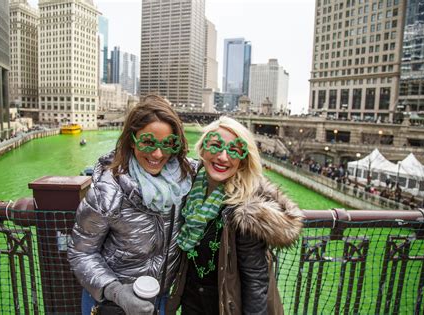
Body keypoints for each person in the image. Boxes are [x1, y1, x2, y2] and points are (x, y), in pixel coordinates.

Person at [68, 95, 195, 315]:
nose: (158, 154)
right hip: (112, 304)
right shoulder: (107, 192)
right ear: (131, 139)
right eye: (148, 142)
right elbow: (81, 253)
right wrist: (116, 291)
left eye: (168, 143)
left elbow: (226, 169)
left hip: (160, 300)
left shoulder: (185, 178)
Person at [167, 117, 303, 314]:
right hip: (191, 302)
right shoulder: (188, 188)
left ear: (242, 161)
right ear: (203, 149)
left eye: (234, 151)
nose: (223, 157)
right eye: (215, 146)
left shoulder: (245, 211)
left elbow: (255, 279)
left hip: (226, 307)